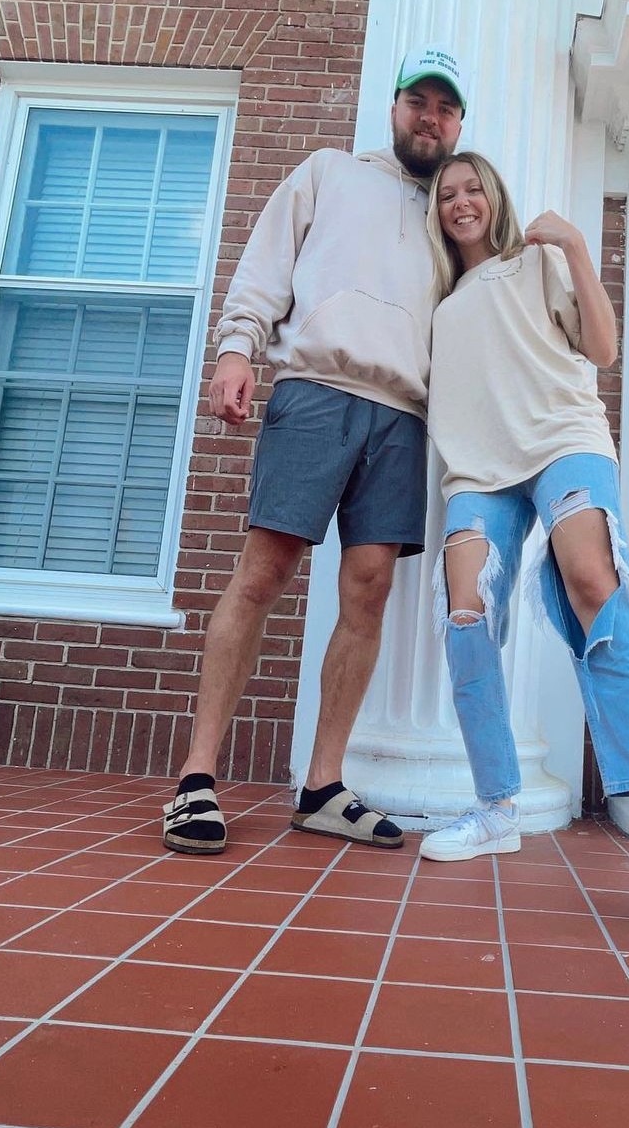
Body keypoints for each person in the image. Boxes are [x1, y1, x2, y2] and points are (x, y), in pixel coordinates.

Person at [417, 151, 629, 959]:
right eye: (447, 194)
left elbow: (602, 347)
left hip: (564, 440)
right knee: (464, 611)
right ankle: (496, 808)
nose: (461, 202)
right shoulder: (440, 305)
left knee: (594, 583)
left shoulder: (535, 263)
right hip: (479, 469)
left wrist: (577, 249)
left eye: (473, 188)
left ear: (495, 196)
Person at [162, 45, 467, 856]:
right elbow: (265, 265)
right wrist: (236, 349)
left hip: (403, 416)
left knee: (368, 590)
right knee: (263, 573)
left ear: (457, 123)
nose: (430, 117)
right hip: (316, 391)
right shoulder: (330, 172)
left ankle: (324, 786)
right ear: (395, 108)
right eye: (418, 101)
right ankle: (196, 779)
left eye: (445, 108)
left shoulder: (453, 212)